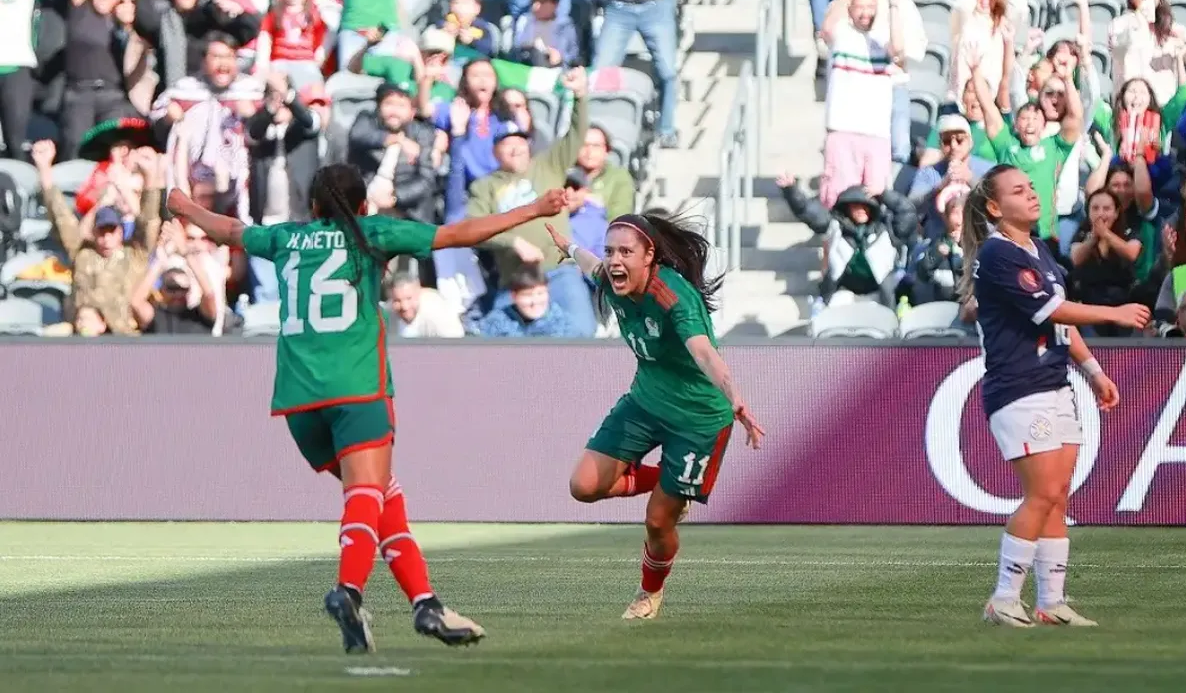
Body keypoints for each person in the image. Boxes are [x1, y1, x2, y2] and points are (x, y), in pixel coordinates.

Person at [165, 163, 569, 653]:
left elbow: (229, 230)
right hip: (356, 390)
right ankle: (349, 589)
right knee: (366, 493)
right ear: (360, 206)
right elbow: (460, 233)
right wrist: (533, 209)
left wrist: (183, 206)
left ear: (312, 207)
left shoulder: (288, 239)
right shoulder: (372, 232)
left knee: (383, 496)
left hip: (298, 401)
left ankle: (427, 604)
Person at [546, 213, 765, 621]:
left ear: (649, 256)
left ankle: (649, 594)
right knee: (584, 486)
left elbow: (702, 351)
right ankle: (672, 487)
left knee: (657, 523)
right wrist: (569, 247)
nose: (614, 260)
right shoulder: (610, 280)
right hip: (645, 402)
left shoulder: (672, 296)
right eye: (611, 250)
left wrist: (735, 399)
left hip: (698, 418)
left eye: (625, 252)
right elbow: (590, 264)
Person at [957, 164, 1149, 629]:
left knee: (1059, 495)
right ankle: (1003, 598)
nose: (1031, 195)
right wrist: (1116, 313)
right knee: (1041, 492)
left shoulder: (1037, 249)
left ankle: (1051, 601)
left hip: (1055, 383)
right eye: (1018, 191)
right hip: (1020, 388)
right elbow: (1055, 309)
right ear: (996, 208)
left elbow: (1058, 323)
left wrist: (1094, 370)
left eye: (1031, 187)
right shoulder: (999, 255)